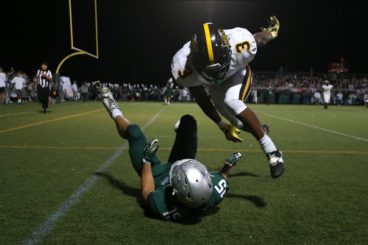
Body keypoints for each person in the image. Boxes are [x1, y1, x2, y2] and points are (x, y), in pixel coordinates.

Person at [100, 87, 242, 221]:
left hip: (154, 175)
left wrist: (147, 160)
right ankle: (181, 131)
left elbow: (146, 191)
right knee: (189, 121)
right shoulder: (210, 195)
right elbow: (221, 179)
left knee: (134, 132)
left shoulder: (163, 205)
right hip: (178, 166)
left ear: (176, 192)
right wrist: (227, 167)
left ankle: (114, 110)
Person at [170, 16, 284, 178]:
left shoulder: (240, 43)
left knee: (232, 102)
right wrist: (223, 125)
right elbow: (202, 98)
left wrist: (271, 33)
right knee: (237, 123)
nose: (216, 72)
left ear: (227, 47)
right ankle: (258, 128)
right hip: (214, 86)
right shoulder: (183, 68)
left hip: (237, 74)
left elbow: (260, 39)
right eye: (209, 69)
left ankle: (273, 153)